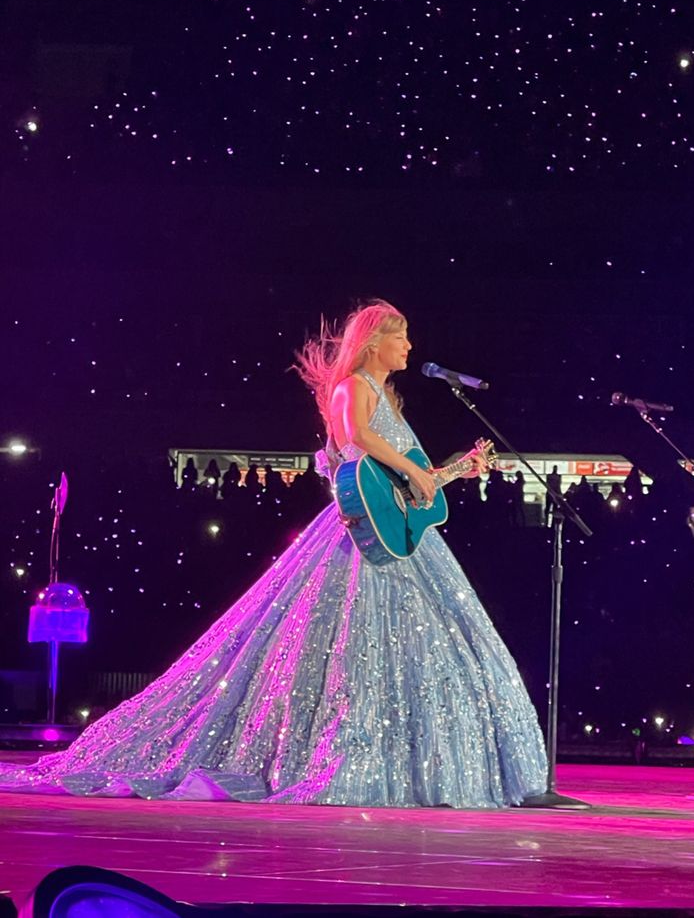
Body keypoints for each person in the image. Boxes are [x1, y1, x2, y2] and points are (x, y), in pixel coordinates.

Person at [0, 300, 546, 807]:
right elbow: (359, 437)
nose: (409, 346)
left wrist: (453, 471)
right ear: (373, 343)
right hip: (358, 536)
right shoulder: (352, 387)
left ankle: (416, 768)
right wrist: (412, 471)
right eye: (399, 337)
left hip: (399, 534)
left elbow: (410, 484)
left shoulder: (393, 400)